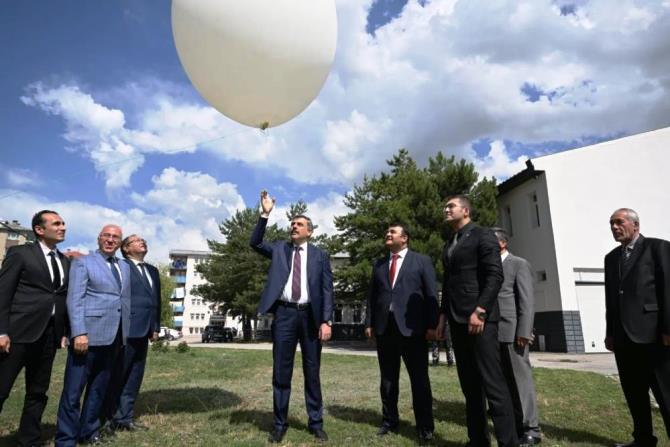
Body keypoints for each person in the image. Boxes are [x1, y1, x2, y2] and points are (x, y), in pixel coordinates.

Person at [249, 190, 333, 443]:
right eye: (292, 224)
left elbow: (327, 289)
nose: (294, 227)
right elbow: (255, 243)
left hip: (310, 316)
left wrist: (326, 320)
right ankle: (279, 424)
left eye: (299, 224)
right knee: (281, 372)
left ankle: (316, 423)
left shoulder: (321, 255)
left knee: (312, 371)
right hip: (284, 315)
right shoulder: (279, 249)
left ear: (310, 231)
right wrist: (265, 214)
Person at [437, 195, 517, 447]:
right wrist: (442, 318)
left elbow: (495, 275)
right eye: (445, 206)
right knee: (470, 386)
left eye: (451, 206)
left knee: (493, 383)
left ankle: (508, 442)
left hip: (479, 319)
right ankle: (477, 440)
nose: (446, 209)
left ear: (466, 210)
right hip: (456, 320)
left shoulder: (483, 235)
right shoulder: (450, 242)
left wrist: (480, 310)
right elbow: (449, 284)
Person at [55, 224, 131, 447]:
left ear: (120, 243)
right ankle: (66, 439)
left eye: (115, 237)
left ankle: (88, 433)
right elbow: (75, 299)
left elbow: (123, 301)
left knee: (98, 389)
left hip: (114, 337)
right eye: (106, 236)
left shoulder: (124, 267)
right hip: (87, 338)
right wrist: (79, 332)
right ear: (98, 239)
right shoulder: (83, 262)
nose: (110, 240)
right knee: (73, 392)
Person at [0, 210, 69, 446]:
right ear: (40, 230)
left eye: (63, 223)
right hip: (17, 334)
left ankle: (28, 440)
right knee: (2, 389)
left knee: (38, 392)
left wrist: (63, 332)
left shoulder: (64, 261)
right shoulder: (20, 253)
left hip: (48, 336)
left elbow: (62, 298)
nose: (62, 227)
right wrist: (1, 331)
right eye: (56, 223)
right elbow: (3, 293)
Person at [364, 224, 439, 441]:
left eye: (392, 232)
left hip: (413, 330)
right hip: (385, 330)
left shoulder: (421, 261)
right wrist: (369, 323)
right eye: (386, 232)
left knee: (419, 380)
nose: (387, 234)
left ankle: (425, 427)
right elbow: (372, 298)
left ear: (404, 238)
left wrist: (432, 326)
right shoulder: (379, 265)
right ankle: (389, 421)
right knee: (387, 380)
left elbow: (431, 294)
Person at [605, 208, 670, 447]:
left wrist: (667, 330)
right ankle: (643, 440)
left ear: (636, 225)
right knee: (634, 393)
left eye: (619, 222)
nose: (614, 227)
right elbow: (611, 299)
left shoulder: (658, 248)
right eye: (611, 223)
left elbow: (667, 291)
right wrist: (609, 332)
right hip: (623, 339)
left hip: (653, 336)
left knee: (665, 394)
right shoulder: (611, 258)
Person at [102, 235, 160, 433]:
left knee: (135, 376)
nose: (142, 242)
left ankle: (124, 418)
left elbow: (155, 301)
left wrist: (156, 326)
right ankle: (107, 419)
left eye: (144, 240)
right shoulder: (121, 266)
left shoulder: (152, 270)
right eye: (136, 241)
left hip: (144, 331)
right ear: (126, 249)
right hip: (126, 329)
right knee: (118, 374)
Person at [492, 227, 541, 445]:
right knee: (500, 381)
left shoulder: (518, 264)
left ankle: (531, 428)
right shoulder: (487, 267)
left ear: (502, 243)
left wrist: (524, 331)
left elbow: (527, 301)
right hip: (490, 332)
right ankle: (511, 421)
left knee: (520, 380)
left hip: (513, 332)